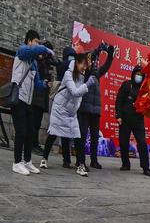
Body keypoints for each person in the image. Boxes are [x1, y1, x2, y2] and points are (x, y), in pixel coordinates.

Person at [9, 30, 55, 174]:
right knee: (21, 132)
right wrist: (46, 49)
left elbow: (37, 84)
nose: (36, 45)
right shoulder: (21, 52)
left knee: (30, 133)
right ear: (29, 41)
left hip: (27, 102)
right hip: (18, 100)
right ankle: (17, 163)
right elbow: (34, 50)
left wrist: (45, 84)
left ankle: (27, 161)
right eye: (35, 41)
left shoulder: (34, 63)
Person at [42, 52, 95, 176]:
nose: (84, 67)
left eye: (86, 65)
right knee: (53, 133)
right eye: (83, 64)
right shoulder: (67, 74)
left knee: (77, 137)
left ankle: (81, 165)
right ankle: (44, 159)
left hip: (71, 112)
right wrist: (87, 85)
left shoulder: (81, 76)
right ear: (76, 63)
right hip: (60, 109)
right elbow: (75, 92)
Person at [77, 43, 115, 169]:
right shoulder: (85, 74)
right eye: (93, 61)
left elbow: (107, 66)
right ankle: (80, 161)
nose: (95, 63)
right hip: (84, 108)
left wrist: (110, 55)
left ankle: (94, 160)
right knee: (82, 136)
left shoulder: (97, 73)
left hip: (95, 110)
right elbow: (91, 57)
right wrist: (97, 51)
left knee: (94, 137)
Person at [115, 66, 150, 176]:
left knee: (142, 142)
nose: (138, 76)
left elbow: (148, 103)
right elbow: (119, 101)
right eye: (137, 74)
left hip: (138, 120)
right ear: (133, 74)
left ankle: (146, 168)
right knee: (123, 142)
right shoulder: (126, 85)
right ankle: (125, 164)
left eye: (141, 75)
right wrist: (119, 116)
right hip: (125, 119)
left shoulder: (144, 88)